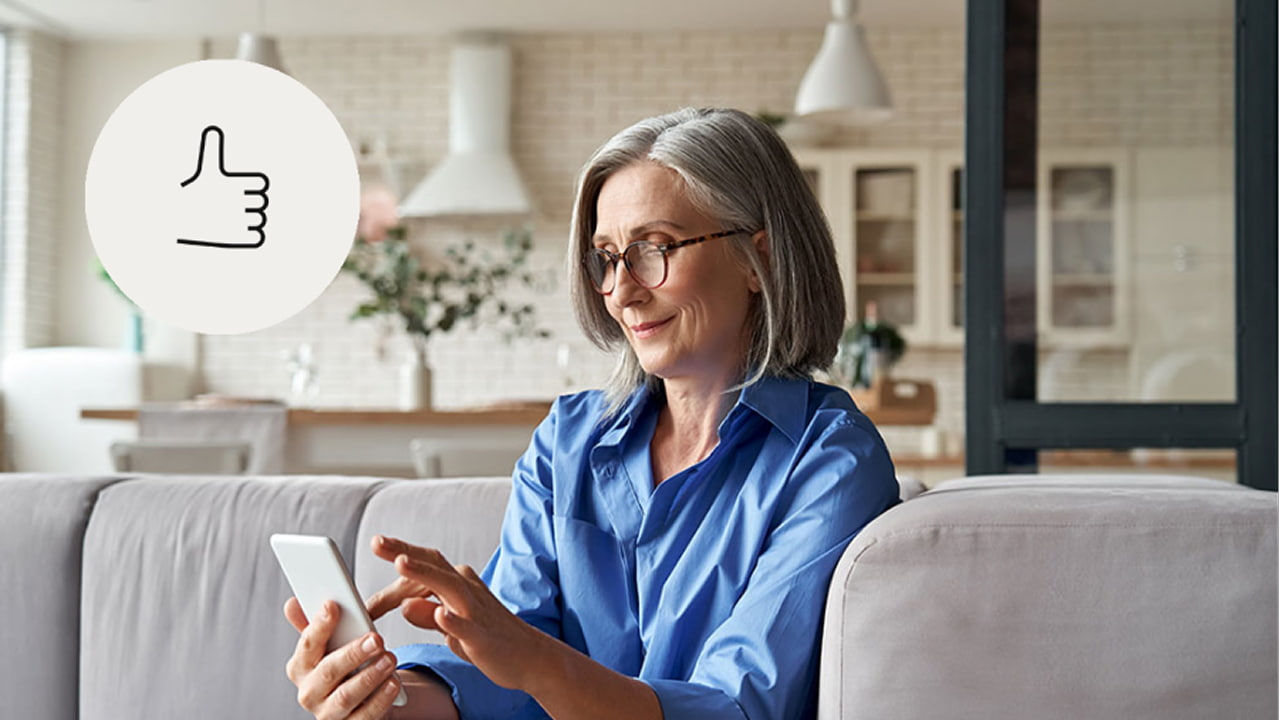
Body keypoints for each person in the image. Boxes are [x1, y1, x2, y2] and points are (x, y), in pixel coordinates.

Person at [282, 107, 900, 720]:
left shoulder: (831, 460)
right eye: (607, 257)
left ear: (755, 259)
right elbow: (504, 677)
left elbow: (735, 707)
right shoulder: (568, 440)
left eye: (654, 248)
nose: (622, 291)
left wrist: (529, 658)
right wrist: (386, 698)